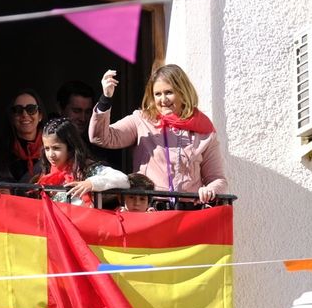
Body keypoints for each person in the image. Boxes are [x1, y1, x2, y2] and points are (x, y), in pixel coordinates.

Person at [89, 65, 227, 204]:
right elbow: (101, 137)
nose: (163, 99)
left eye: (169, 92)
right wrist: (106, 99)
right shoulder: (141, 120)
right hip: (151, 211)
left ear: (183, 92)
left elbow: (217, 179)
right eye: (158, 94)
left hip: (188, 214)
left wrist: (210, 190)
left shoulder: (203, 129)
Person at [0, 118, 126, 207]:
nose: (50, 154)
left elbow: (123, 180)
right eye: (46, 148)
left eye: (56, 148)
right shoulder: (40, 176)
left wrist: (90, 184)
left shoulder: (88, 170)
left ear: (71, 147)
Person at [0, 89, 47, 185]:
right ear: (12, 117)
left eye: (31, 109)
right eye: (18, 110)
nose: (25, 114)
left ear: (40, 116)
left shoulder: (54, 151)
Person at [57, 79, 127, 171]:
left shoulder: (102, 145)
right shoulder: (49, 138)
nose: (83, 118)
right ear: (60, 109)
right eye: (76, 111)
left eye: (88, 112)